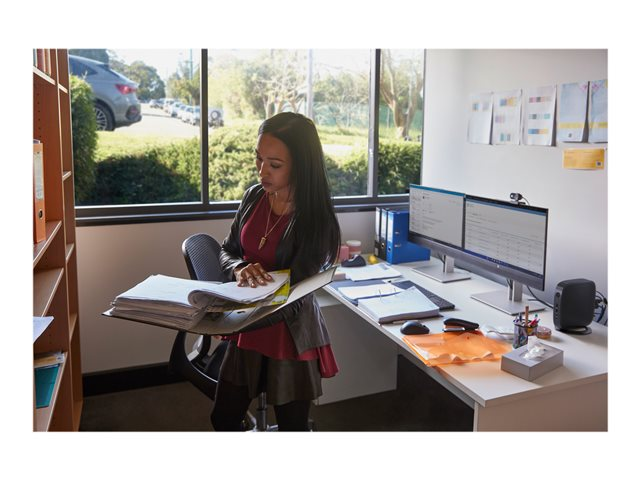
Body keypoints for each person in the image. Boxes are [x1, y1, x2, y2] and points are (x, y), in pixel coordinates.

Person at [212, 112, 341, 431]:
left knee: (291, 429)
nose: (262, 171)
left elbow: (294, 296)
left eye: (274, 164)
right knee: (223, 418)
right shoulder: (254, 197)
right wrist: (240, 267)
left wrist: (234, 320)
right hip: (247, 325)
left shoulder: (316, 220)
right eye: (258, 159)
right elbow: (226, 251)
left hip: (288, 330)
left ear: (300, 165)